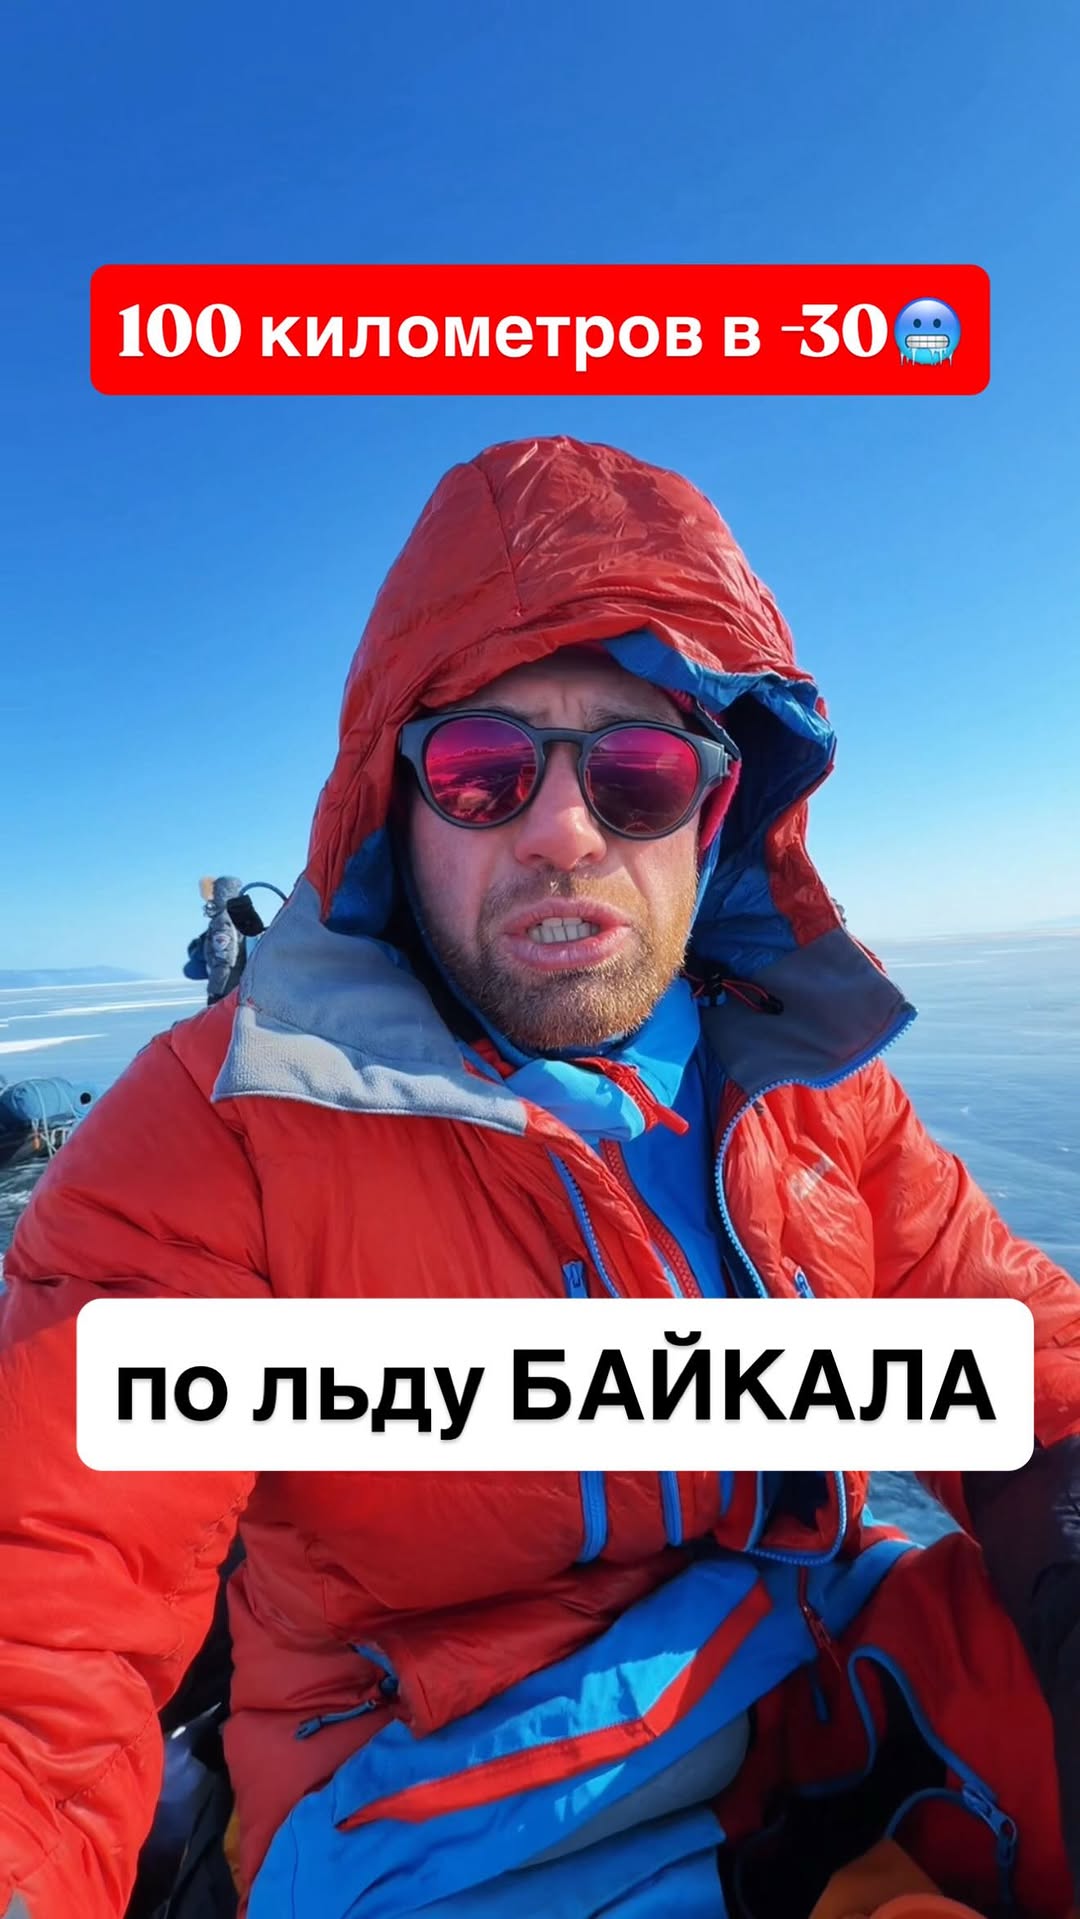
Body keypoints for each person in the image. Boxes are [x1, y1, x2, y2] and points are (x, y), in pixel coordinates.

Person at [1, 435, 1078, 1919]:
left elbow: (1027, 1370)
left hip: (816, 1670)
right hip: (447, 1809)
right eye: (482, 770)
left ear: (715, 812)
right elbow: (46, 1611)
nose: (564, 832)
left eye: (638, 772)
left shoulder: (807, 1089)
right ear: (396, 806)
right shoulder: (220, 1131)